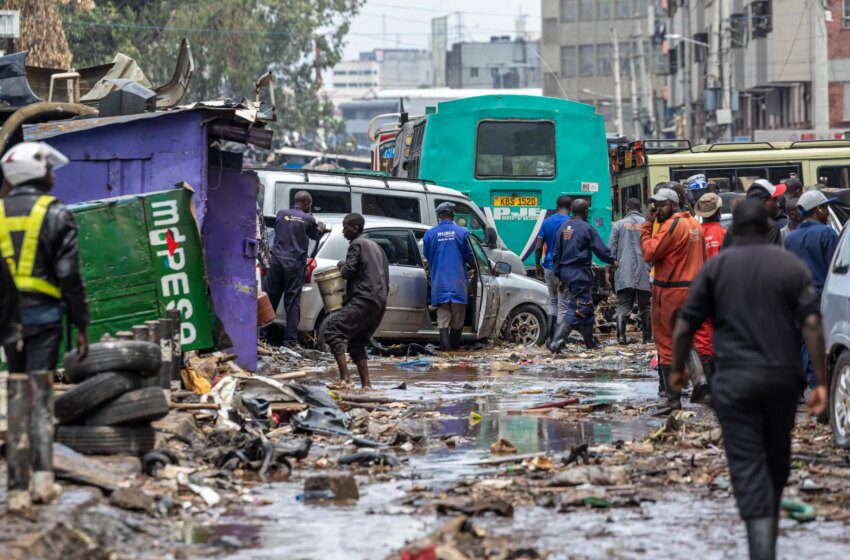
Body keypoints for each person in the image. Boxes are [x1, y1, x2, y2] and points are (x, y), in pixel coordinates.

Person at [670, 200, 827, 560]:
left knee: (746, 462)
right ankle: (766, 538)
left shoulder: (716, 269)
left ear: (735, 230)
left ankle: (761, 547)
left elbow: (684, 325)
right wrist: (820, 382)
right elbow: (813, 324)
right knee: (776, 457)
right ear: (769, 225)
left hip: (734, 383)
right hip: (782, 383)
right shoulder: (790, 265)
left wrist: (678, 370)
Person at [0, 142, 89, 373]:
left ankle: (21, 408)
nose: (53, 176)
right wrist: (81, 324)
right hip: (42, 316)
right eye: (49, 169)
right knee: (38, 384)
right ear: (37, 172)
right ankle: (37, 409)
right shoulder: (55, 213)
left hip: (5, 318)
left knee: (17, 380)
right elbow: (69, 273)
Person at [640, 188, 707, 408]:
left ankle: (673, 398)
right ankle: (699, 379)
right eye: (656, 205)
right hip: (692, 289)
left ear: (675, 205)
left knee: (666, 344)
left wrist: (647, 227)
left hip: (670, 291)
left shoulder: (671, 226)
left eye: (662, 205)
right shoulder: (695, 225)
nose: (657, 209)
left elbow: (650, 253)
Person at [323, 213, 389, 388]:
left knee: (331, 330)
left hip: (363, 299)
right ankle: (366, 385)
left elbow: (347, 272)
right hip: (379, 303)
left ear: (356, 228)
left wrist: (341, 265)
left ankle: (345, 379)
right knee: (356, 344)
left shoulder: (357, 244)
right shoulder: (377, 247)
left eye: (346, 227)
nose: (344, 231)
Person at [784, 190, 839, 388]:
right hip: (821, 297)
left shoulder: (790, 238)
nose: (827, 211)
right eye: (825, 208)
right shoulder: (827, 233)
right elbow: (834, 269)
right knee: (817, 344)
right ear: (819, 210)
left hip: (796, 299)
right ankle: (816, 387)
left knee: (802, 343)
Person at [549, 199, 615, 352]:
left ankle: (590, 343)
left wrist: (561, 277)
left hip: (566, 271)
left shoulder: (563, 228)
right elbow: (601, 250)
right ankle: (556, 342)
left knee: (587, 307)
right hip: (579, 273)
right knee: (578, 307)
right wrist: (612, 261)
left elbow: (556, 254)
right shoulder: (587, 229)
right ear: (586, 212)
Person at [265, 191, 325, 347]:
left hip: (276, 262)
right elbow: (316, 236)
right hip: (294, 265)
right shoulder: (309, 219)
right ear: (306, 203)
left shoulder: (281, 214)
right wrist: (320, 227)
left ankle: (262, 337)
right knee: (291, 302)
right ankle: (290, 341)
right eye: (310, 204)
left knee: (270, 299)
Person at [423, 202, 474, 351]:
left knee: (443, 320)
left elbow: (427, 255)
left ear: (439, 216)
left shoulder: (430, 234)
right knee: (458, 320)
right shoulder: (463, 232)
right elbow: (470, 257)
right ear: (453, 215)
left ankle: (446, 355)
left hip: (439, 283)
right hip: (458, 283)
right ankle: (454, 354)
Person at [692, 192, 727, 395]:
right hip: (719, 289)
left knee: (703, 335)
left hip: (697, 288)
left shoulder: (694, 232)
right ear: (719, 211)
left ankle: (706, 381)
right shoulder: (723, 233)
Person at [608, 198, 651, 345]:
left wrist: (609, 270)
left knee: (623, 305)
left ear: (626, 208)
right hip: (645, 270)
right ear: (640, 208)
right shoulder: (647, 223)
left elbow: (611, 250)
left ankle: (621, 337)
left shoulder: (618, 225)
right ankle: (647, 338)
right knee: (645, 306)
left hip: (623, 270)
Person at [535, 195, 572, 345]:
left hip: (548, 267)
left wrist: (538, 265)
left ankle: (549, 338)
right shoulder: (570, 223)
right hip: (564, 268)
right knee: (564, 303)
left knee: (553, 302)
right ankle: (559, 340)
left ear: (556, 206)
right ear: (569, 207)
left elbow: (538, 246)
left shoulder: (546, 222)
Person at [723, 179, 784, 248]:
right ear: (764, 202)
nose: (777, 205)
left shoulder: (733, 226)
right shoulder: (771, 227)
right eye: (774, 200)